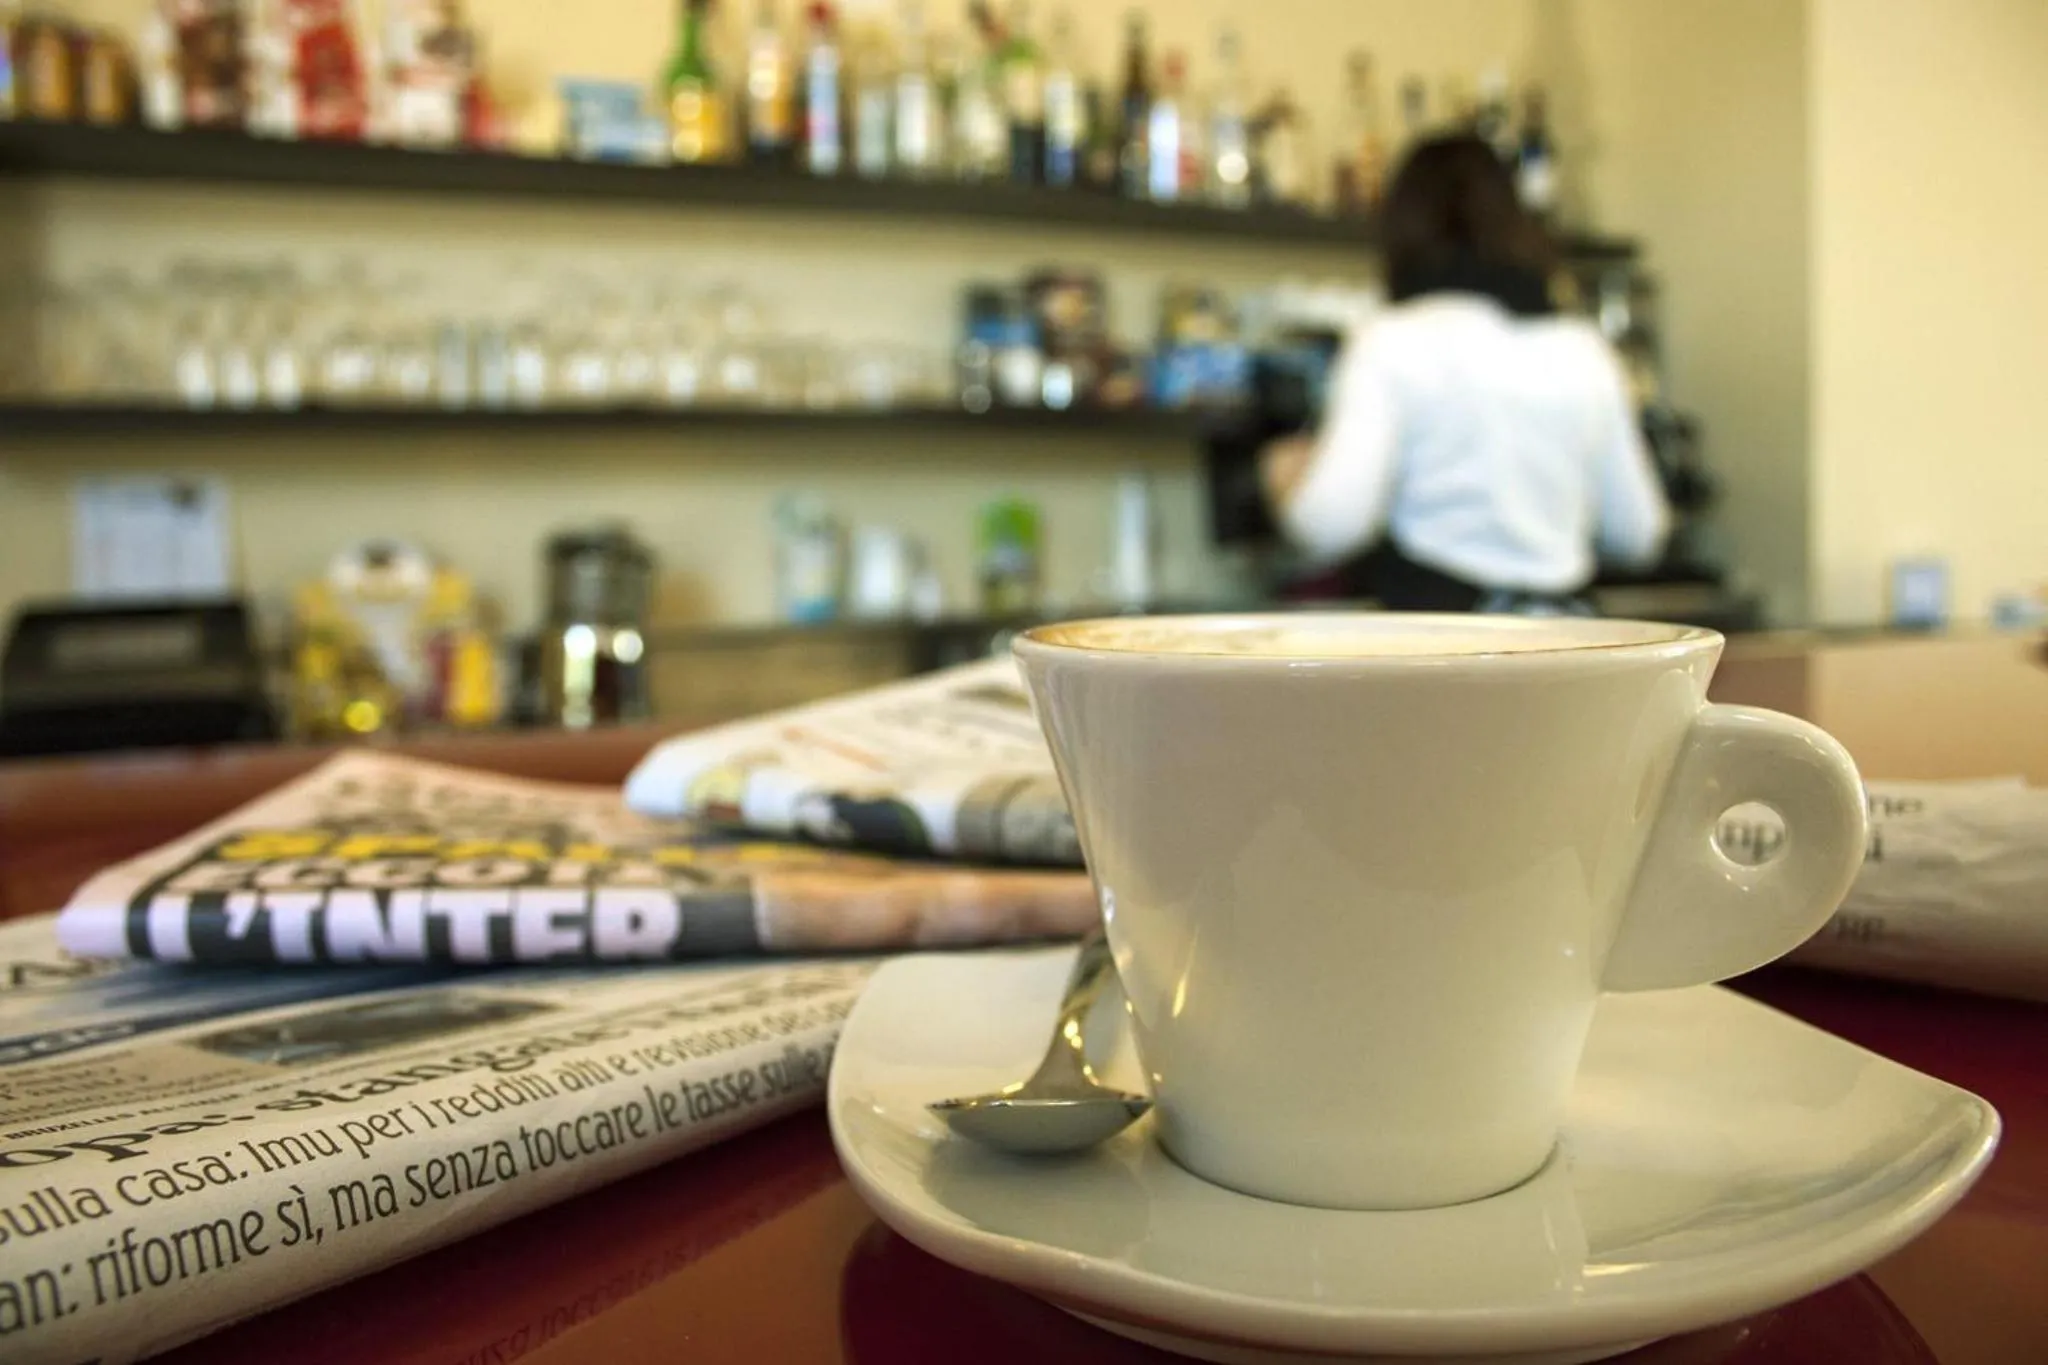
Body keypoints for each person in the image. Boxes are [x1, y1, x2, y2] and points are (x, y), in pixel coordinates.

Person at [1261, 135, 1670, 613]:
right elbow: (1639, 534)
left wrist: (1283, 477)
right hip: (1569, 640)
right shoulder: (1583, 350)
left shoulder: (1392, 341)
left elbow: (1330, 525)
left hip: (1443, 645)